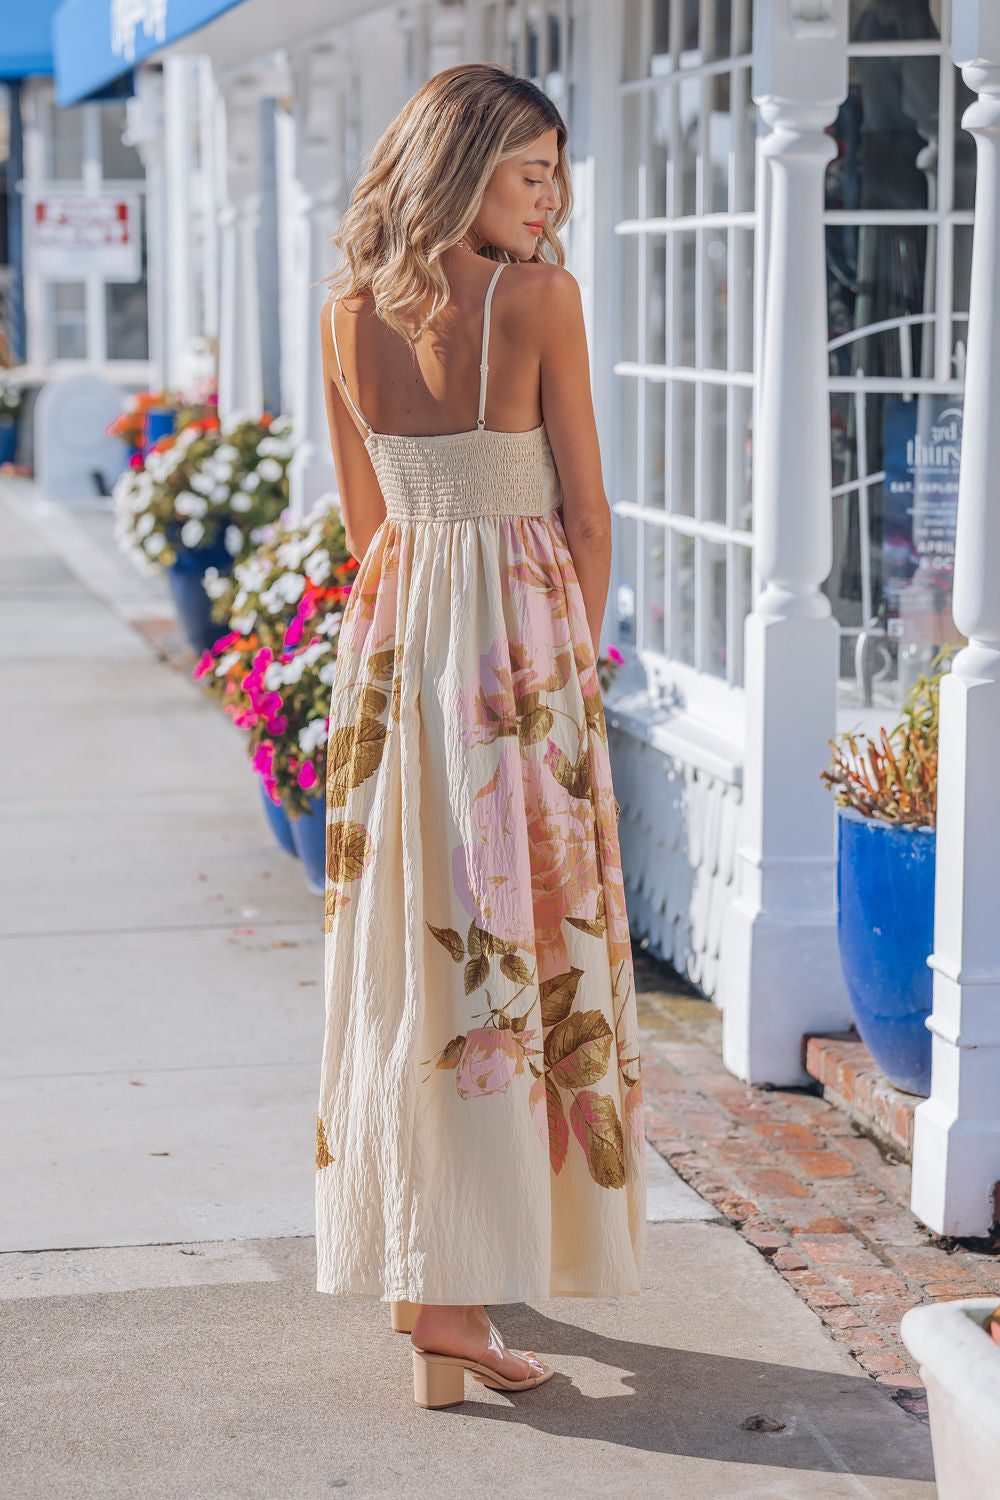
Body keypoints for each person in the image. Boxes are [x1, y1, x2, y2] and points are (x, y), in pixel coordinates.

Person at [316, 62, 645, 1411]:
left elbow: (366, 526)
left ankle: (423, 1268)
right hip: (519, 657)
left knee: (414, 951)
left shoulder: (346, 312)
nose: (551, 199)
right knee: (511, 952)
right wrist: (567, 670)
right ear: (464, 171)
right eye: (531, 172)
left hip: (395, 652)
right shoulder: (539, 299)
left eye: (557, 175)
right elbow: (588, 517)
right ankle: (451, 1297)